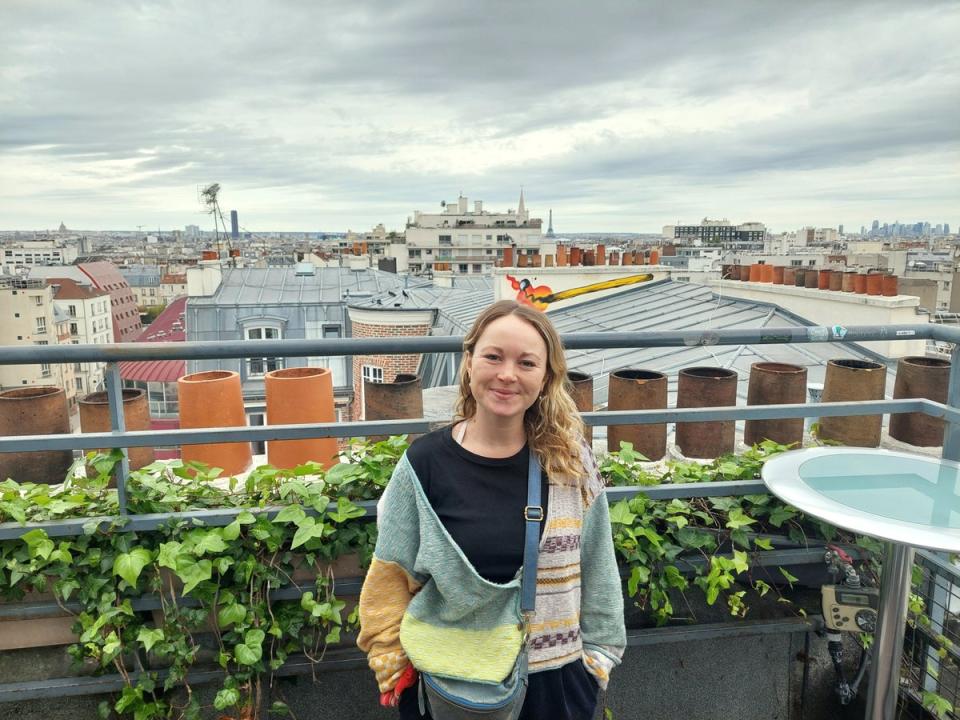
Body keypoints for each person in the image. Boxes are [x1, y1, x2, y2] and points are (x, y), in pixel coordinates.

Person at [357, 300, 626, 720]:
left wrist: (595, 664)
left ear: (546, 376)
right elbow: (387, 581)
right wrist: (394, 673)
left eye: (526, 362)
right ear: (468, 362)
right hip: (450, 687)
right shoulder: (424, 464)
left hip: (556, 686)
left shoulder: (570, 464)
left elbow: (599, 567)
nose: (507, 374)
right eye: (493, 356)